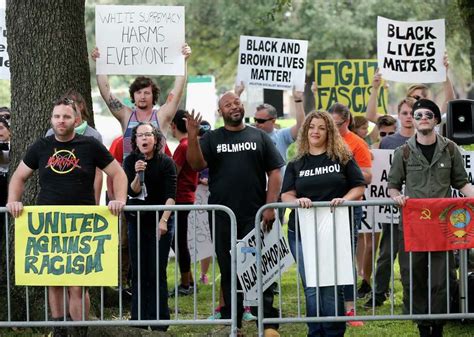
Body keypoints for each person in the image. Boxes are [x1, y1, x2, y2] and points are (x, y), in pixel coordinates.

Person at [6, 96, 127, 337]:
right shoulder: (41, 146)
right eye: (57, 116)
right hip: (48, 223)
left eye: (66, 117)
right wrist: (13, 201)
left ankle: (79, 331)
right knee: (54, 280)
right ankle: (59, 329)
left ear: (76, 119)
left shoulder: (90, 145)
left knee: (76, 283)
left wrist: (120, 200)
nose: (61, 121)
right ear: (51, 119)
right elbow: (18, 177)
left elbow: (118, 174)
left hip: (82, 223)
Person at [185, 92, 284, 337]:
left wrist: (270, 207)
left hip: (256, 214)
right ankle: (234, 324)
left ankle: (268, 323)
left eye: (237, 102)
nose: (234, 106)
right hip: (223, 215)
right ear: (221, 112)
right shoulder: (212, 138)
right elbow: (196, 165)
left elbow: (275, 172)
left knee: (263, 267)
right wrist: (192, 135)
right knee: (229, 270)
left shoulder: (259, 136)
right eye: (228, 105)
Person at [388, 99, 474, 337]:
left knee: (442, 277)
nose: (423, 118)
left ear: (436, 120)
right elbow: (393, 186)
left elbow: (462, 183)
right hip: (413, 226)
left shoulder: (450, 149)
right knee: (413, 275)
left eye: (428, 114)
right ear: (413, 121)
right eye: (418, 115)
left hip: (442, 226)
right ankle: (422, 326)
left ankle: (438, 325)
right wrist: (397, 197)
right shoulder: (402, 152)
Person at [281, 110, 365, 336]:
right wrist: (297, 201)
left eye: (321, 127)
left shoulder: (342, 158)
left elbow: (359, 186)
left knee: (331, 285)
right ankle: (315, 332)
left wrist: (344, 199)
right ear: (305, 131)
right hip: (301, 232)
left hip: (335, 231)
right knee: (311, 286)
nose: (315, 131)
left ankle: (333, 331)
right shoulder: (296, 163)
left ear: (329, 131)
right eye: (311, 127)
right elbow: (285, 195)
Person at [91, 44, 192, 160]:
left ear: (153, 96)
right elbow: (106, 93)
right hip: (130, 176)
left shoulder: (161, 117)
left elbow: (177, 92)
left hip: (156, 176)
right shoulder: (126, 116)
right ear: (133, 95)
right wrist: (99, 64)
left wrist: (183, 62)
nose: (142, 96)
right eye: (138, 92)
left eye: (147, 93)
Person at [363, 96, 416, 308]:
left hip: (414, 210)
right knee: (385, 254)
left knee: (408, 258)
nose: (409, 117)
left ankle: (410, 298)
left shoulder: (424, 139)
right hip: (391, 209)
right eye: (404, 113)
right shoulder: (388, 142)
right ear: (399, 114)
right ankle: (378, 293)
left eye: (412, 113)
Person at [123, 122, 176, 330]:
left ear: (155, 138)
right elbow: (133, 191)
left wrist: (163, 221)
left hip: (160, 222)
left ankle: (160, 321)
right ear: (135, 141)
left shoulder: (166, 163)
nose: (144, 139)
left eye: (148, 135)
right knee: (139, 271)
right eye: (140, 136)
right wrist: (137, 174)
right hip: (137, 222)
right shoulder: (130, 162)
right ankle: (139, 320)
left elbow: (171, 196)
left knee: (157, 270)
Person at [328, 102, 371, 326]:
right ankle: (328, 306)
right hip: (323, 208)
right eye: (330, 124)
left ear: (347, 121)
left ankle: (350, 309)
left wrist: (344, 175)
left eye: (337, 124)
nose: (333, 128)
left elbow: (368, 176)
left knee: (346, 257)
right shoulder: (322, 139)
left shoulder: (357, 143)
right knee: (325, 257)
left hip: (349, 207)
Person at [45, 89, 103, 204]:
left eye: (71, 103)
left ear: (81, 106)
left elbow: (98, 173)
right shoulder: (51, 133)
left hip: (83, 199)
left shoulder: (93, 136)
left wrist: (96, 203)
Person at [169, 109, 199, 296]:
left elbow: (173, 173)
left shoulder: (183, 146)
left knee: (178, 242)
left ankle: (186, 284)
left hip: (179, 198)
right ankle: (188, 279)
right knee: (177, 241)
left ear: (173, 126)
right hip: (186, 197)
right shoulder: (191, 143)